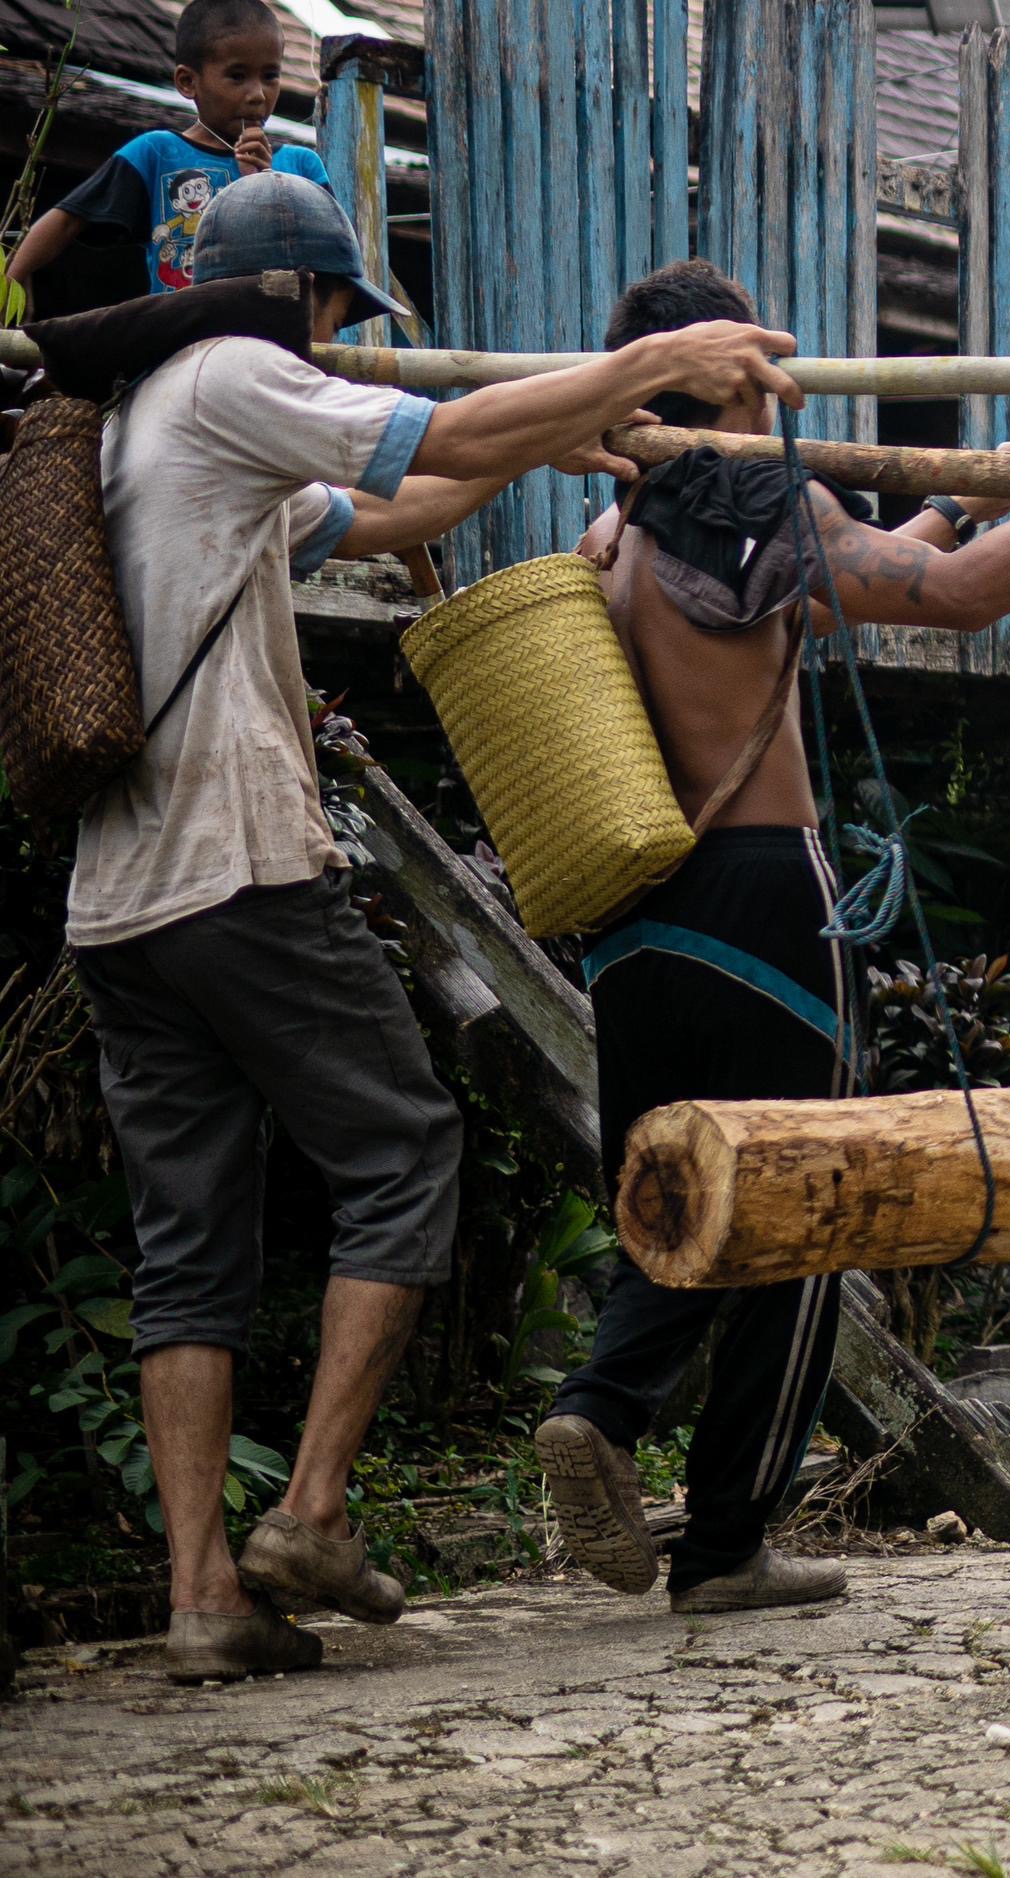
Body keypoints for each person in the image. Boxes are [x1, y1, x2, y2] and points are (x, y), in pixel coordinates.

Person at [65, 172, 800, 1679]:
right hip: (237, 859)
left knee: (187, 1248)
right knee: (403, 1148)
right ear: (303, 296)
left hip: (120, 895)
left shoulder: (145, 414)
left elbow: (410, 496)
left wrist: (568, 430)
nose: (339, 343)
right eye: (338, 314)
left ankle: (205, 1595)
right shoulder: (238, 373)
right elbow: (439, 433)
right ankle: (317, 1509)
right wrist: (661, 364)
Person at [532, 262, 1010, 1616]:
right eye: (757, 350)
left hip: (640, 913)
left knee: (678, 1190)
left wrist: (964, 495)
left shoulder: (625, 528)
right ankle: (720, 1544)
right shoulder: (764, 492)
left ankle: (603, 1400)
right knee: (806, 1206)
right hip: (768, 893)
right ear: (715, 368)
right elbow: (949, 600)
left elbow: (837, 585)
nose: (782, 371)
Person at [9, 0, 330, 302]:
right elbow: (66, 220)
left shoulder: (302, 168)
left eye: (270, 76)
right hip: (181, 338)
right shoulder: (156, 153)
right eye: (237, 76)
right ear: (188, 82)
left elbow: (333, 267)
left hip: (271, 339)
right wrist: (10, 283)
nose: (257, 94)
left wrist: (263, 183)